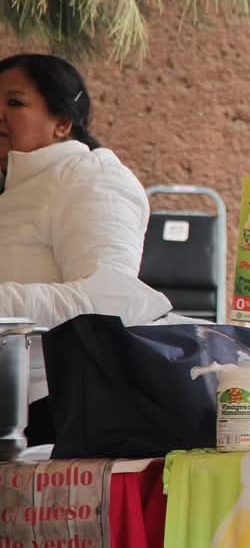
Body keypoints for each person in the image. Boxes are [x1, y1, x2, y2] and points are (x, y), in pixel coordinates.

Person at [0, 53, 172, 443]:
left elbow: (109, 299)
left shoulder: (91, 178)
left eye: (15, 103)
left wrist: (4, 308)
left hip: (48, 412)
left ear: (62, 122)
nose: (0, 114)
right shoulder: (14, 186)